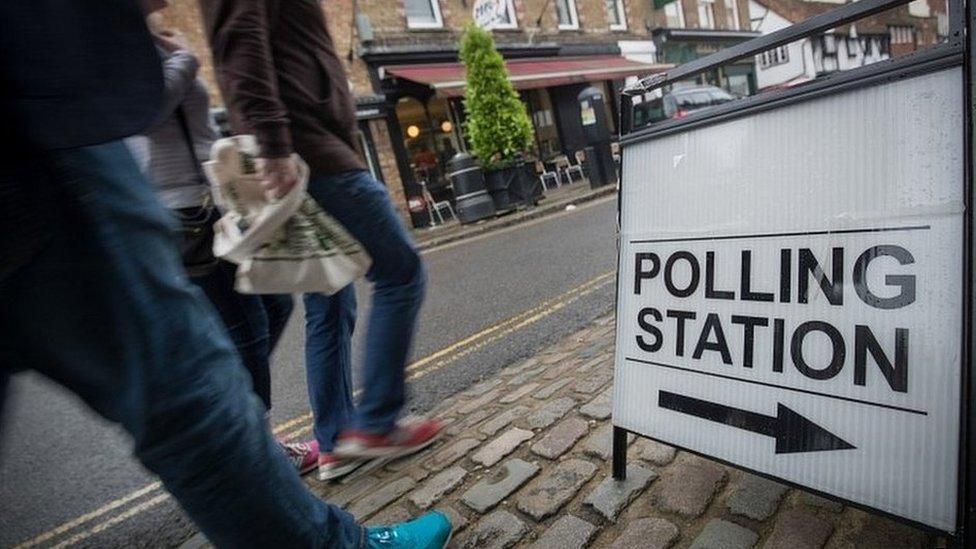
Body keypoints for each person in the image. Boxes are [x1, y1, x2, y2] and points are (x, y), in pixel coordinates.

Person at [0, 1, 451, 547]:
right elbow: (237, 49)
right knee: (191, 390)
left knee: (305, 305)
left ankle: (317, 435)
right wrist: (272, 142)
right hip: (57, 145)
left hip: (103, 160)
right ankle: (358, 432)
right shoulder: (116, 52)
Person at [200, 0, 443, 481]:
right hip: (311, 151)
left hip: (309, 146)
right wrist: (273, 143)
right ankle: (376, 422)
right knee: (400, 271)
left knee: (329, 299)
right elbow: (239, 43)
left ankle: (334, 440)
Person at [127, 6, 318, 474]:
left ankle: (238, 416)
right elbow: (146, 110)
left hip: (211, 203)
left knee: (274, 305)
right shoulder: (124, 46)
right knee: (246, 324)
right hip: (181, 211)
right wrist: (186, 60)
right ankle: (258, 451)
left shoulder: (159, 42)